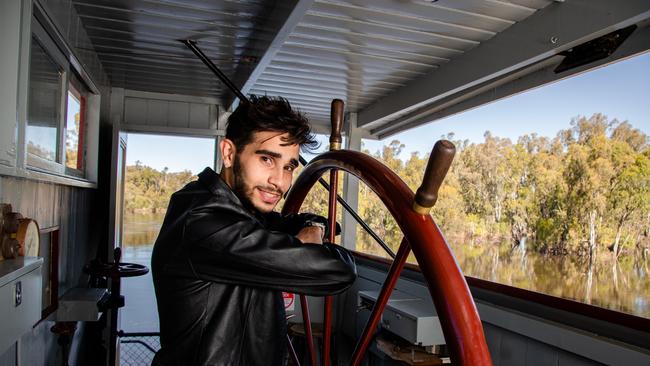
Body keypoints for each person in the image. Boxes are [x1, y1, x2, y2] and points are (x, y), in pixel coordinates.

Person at [151, 95, 357, 366]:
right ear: (228, 153)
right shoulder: (203, 223)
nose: (279, 181)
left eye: (288, 167)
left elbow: (309, 221)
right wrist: (304, 240)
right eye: (267, 160)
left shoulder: (240, 211)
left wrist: (314, 228)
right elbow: (339, 271)